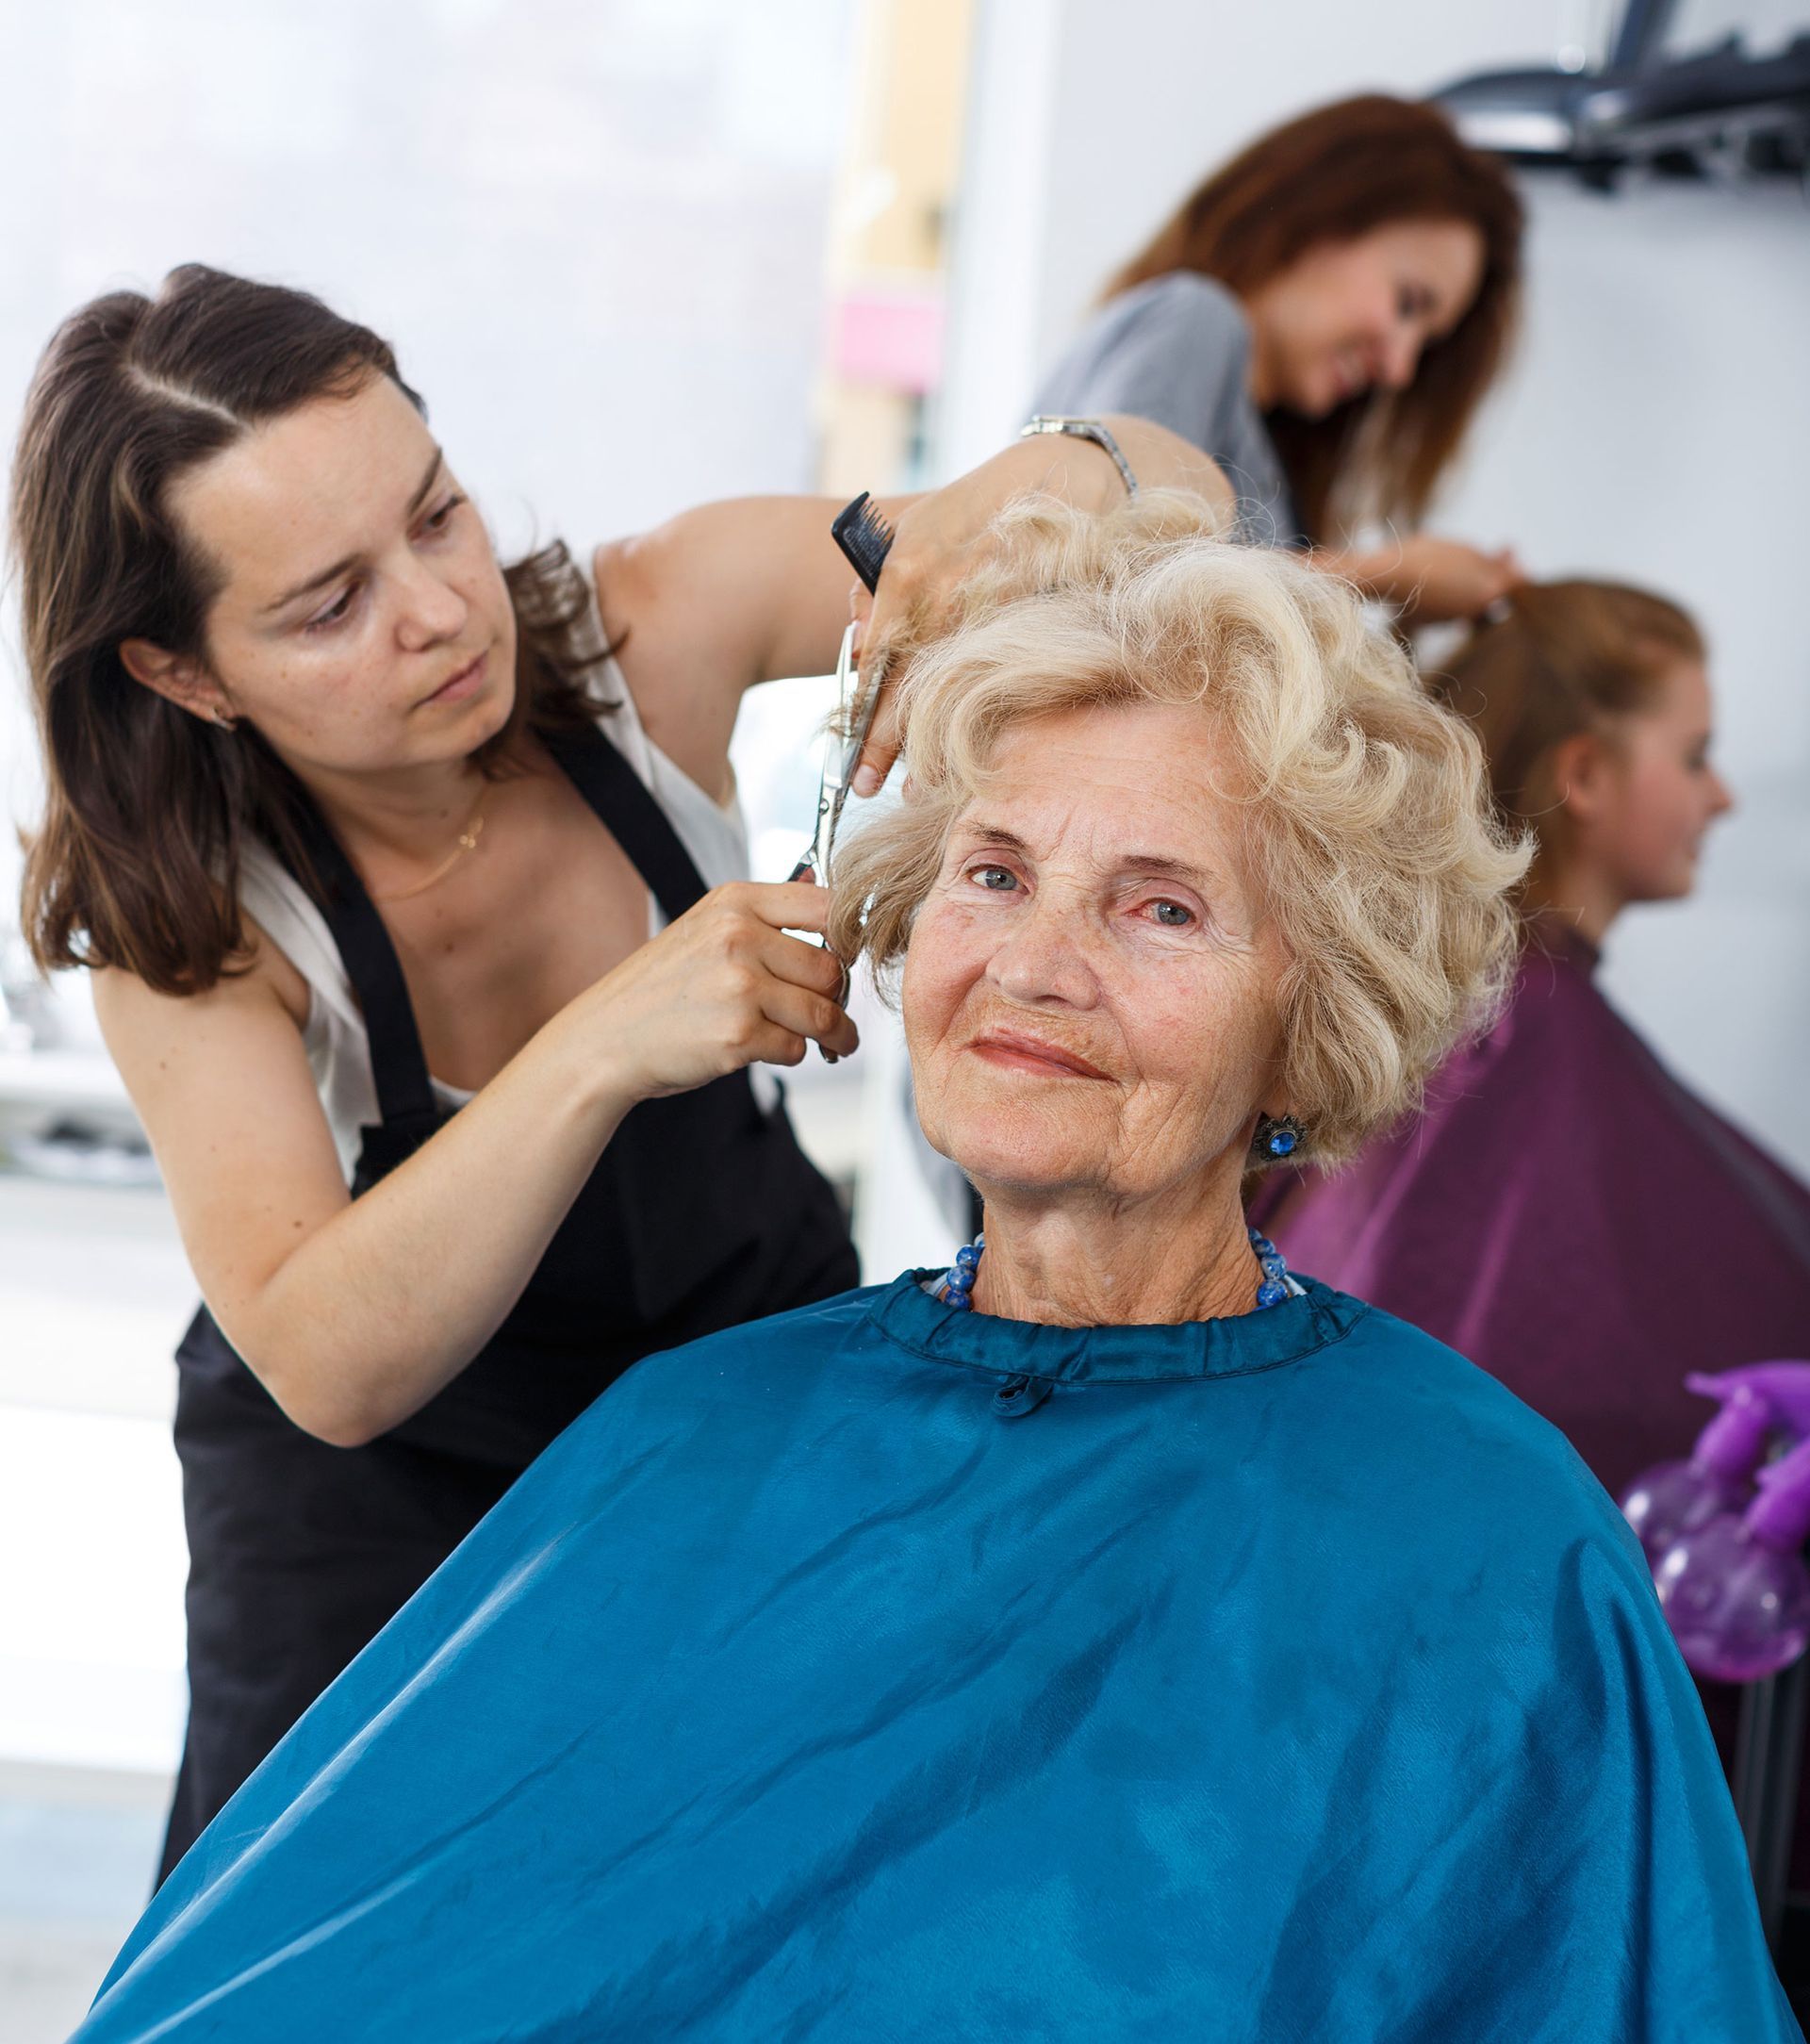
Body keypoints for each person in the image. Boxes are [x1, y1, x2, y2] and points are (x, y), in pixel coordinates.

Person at [75, 502, 1795, 2041]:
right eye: (993, 873)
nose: (1034, 963)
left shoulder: (1487, 1535)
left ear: (1311, 1016)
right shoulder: (695, 1435)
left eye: (1161, 907)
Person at [11, 265, 1226, 1875]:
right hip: (371, 1507)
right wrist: (609, 1035)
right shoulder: (195, 911)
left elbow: (1179, 495)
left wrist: (1044, 484)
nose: (439, 610)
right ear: (185, 673)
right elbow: (327, 1359)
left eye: (436, 516)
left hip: (732, 1394)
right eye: (330, 605)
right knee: (332, 1932)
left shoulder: (653, 625)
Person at [1253, 579, 1810, 1508]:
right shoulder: (1508, 1040)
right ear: (1583, 775)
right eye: (1695, 757)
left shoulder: (1484, 1018)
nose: (1721, 797)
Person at [1032, 93, 1526, 622]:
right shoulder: (1194, 321)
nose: (1399, 368)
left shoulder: (1267, 456)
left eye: (1424, 346)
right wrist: (1383, 574)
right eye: (1407, 303)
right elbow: (1115, 583)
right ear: (1318, 218)